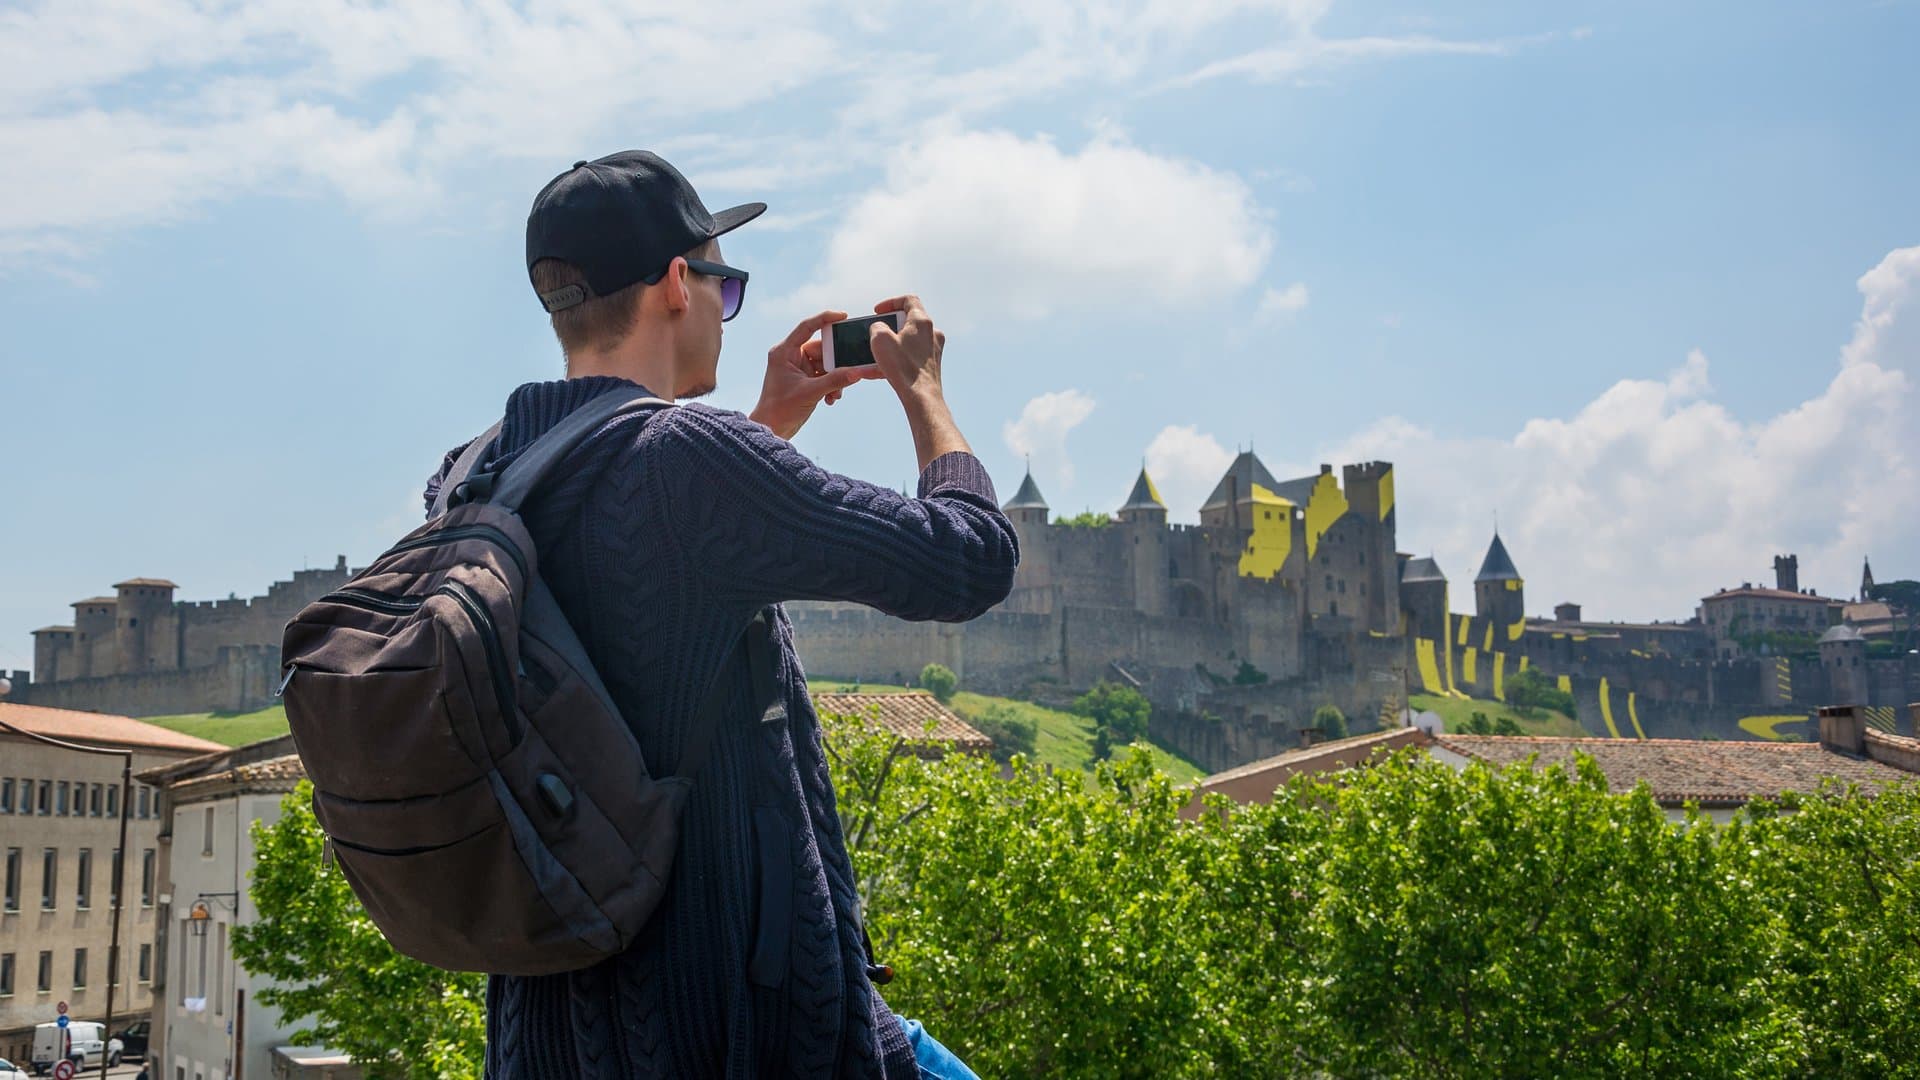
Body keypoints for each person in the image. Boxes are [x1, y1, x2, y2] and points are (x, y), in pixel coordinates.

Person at [424, 151, 1014, 1079]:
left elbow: (641, 586)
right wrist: (925, 393)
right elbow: (970, 558)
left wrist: (762, 430)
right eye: (723, 284)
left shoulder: (472, 474)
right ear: (673, 285)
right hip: (740, 1027)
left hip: (546, 1034)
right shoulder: (691, 462)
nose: (723, 309)